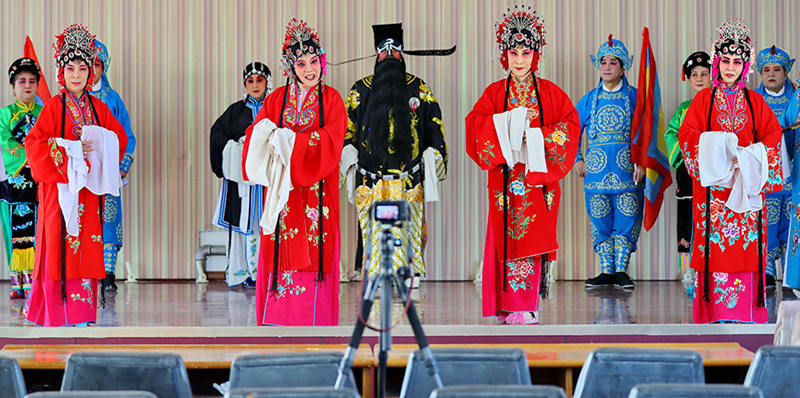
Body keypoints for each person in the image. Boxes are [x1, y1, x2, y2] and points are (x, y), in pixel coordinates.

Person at [465, 6, 579, 324]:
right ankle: (505, 304)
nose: (519, 60)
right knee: (503, 236)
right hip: (504, 180)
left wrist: (536, 135)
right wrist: (510, 123)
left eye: (525, 53)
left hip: (537, 181)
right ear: (505, 55)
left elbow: (570, 127)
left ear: (535, 54)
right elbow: (474, 126)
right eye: (513, 53)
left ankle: (526, 305)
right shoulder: (494, 93)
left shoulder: (551, 94)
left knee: (532, 236)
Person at [241, 18, 345, 326]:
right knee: (279, 247)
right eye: (301, 64)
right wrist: (273, 138)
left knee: (317, 247)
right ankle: (276, 320)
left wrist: (291, 142)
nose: (309, 69)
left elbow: (333, 140)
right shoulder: (275, 100)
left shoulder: (332, 99)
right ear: (290, 67)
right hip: (281, 193)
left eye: (313, 61)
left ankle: (315, 321)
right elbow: (255, 135)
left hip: (317, 192)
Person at [678, 18, 782, 324]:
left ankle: (746, 313)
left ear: (745, 66)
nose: (730, 68)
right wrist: (720, 148)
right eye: (725, 61)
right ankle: (715, 314)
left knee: (746, 249)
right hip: (713, 192)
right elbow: (687, 136)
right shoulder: (704, 100)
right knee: (716, 249)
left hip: (745, 188)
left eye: (737, 62)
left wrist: (750, 155)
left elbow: (773, 137)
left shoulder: (756, 102)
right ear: (717, 62)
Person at [23, 24, 128, 326]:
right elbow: (34, 144)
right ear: (62, 71)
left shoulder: (99, 108)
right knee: (57, 246)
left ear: (91, 71)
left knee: (86, 248)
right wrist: (69, 150)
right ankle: (56, 313)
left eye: (83, 68)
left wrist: (98, 144)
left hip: (88, 195)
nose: (77, 75)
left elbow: (118, 139)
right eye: (71, 68)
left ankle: (80, 313)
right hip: (59, 193)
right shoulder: (53, 107)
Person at [340, 23, 447, 283]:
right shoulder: (360, 90)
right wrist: (348, 157)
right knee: (374, 233)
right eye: (384, 50)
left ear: (403, 53)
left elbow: (434, 126)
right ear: (376, 54)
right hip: (370, 180)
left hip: (408, 179)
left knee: (408, 231)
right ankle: (376, 276)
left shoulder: (419, 88)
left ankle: (410, 275)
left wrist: (433, 155)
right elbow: (346, 131)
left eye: (395, 50)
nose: (389, 55)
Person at [574, 35, 643, 289]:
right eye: (603, 62)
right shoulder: (589, 99)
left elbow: (647, 131)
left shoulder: (635, 97)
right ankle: (606, 271)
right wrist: (577, 159)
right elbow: (571, 129)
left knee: (627, 217)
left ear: (623, 68)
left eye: (613, 62)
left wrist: (643, 163)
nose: (607, 67)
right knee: (599, 218)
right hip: (596, 172)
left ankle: (621, 271)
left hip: (628, 171)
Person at [210, 62, 272, 288]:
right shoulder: (235, 112)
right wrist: (236, 148)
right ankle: (249, 273)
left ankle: (270, 274)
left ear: (267, 82)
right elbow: (217, 134)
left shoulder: (276, 108)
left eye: (260, 80)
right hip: (244, 184)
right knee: (246, 225)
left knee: (271, 223)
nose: (255, 85)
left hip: (268, 180)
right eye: (250, 81)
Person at [89, 39, 137, 293]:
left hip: (107, 171)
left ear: (104, 67)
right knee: (84, 219)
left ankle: (108, 272)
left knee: (109, 219)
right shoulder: (70, 99)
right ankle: (85, 271)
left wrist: (123, 164)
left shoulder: (112, 99)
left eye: (97, 64)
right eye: (87, 64)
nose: (91, 69)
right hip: (83, 171)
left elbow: (128, 135)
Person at [663, 51, 712, 295]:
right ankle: (687, 271)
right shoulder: (684, 109)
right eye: (694, 74)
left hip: (714, 171)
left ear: (712, 75)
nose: (699, 78)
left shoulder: (719, 105)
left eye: (704, 73)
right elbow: (671, 134)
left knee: (713, 216)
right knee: (686, 217)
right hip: (689, 170)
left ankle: (711, 269)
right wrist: (685, 157)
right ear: (689, 79)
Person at [0, 58, 43, 298]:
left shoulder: (44, 113)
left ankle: (35, 281)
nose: (27, 85)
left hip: (39, 181)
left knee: (39, 230)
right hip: (13, 182)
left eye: (32, 81)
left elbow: (50, 141)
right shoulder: (4, 115)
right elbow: (5, 143)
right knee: (13, 232)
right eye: (22, 81)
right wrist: (31, 155)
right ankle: (17, 282)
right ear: (12, 86)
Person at [754, 45, 796, 288]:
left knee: (791, 221)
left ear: (786, 72)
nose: (771, 74)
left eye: (777, 69)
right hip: (765, 173)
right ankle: (767, 269)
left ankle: (791, 273)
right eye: (766, 69)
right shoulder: (752, 100)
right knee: (766, 221)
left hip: (794, 173)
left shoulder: (796, 99)